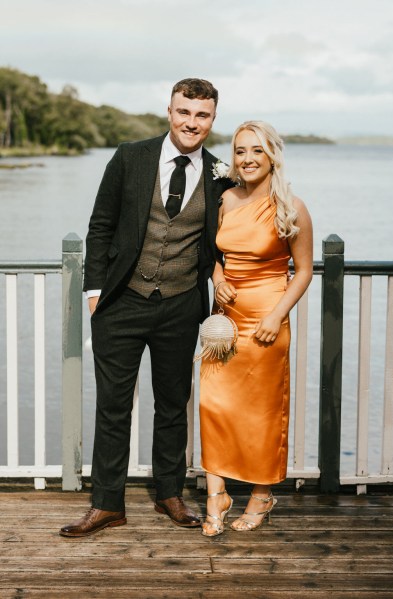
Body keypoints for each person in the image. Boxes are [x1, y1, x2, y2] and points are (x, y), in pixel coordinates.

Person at [60, 78, 234, 538]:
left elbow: (227, 239)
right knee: (113, 406)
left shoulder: (222, 174)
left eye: (202, 115)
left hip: (180, 306)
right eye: (184, 112)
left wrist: (218, 275)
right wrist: (94, 293)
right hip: (121, 302)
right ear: (170, 111)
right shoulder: (129, 157)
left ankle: (169, 494)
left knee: (173, 404)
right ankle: (106, 504)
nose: (191, 122)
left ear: (213, 120)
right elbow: (100, 226)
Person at [199, 121, 313, 537]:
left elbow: (302, 272)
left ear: (272, 157)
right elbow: (211, 252)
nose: (247, 159)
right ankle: (217, 495)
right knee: (214, 405)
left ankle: (262, 494)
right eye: (241, 151)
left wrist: (276, 315)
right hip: (224, 321)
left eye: (256, 151)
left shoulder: (292, 207)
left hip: (267, 318)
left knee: (262, 413)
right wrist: (217, 277)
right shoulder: (226, 199)